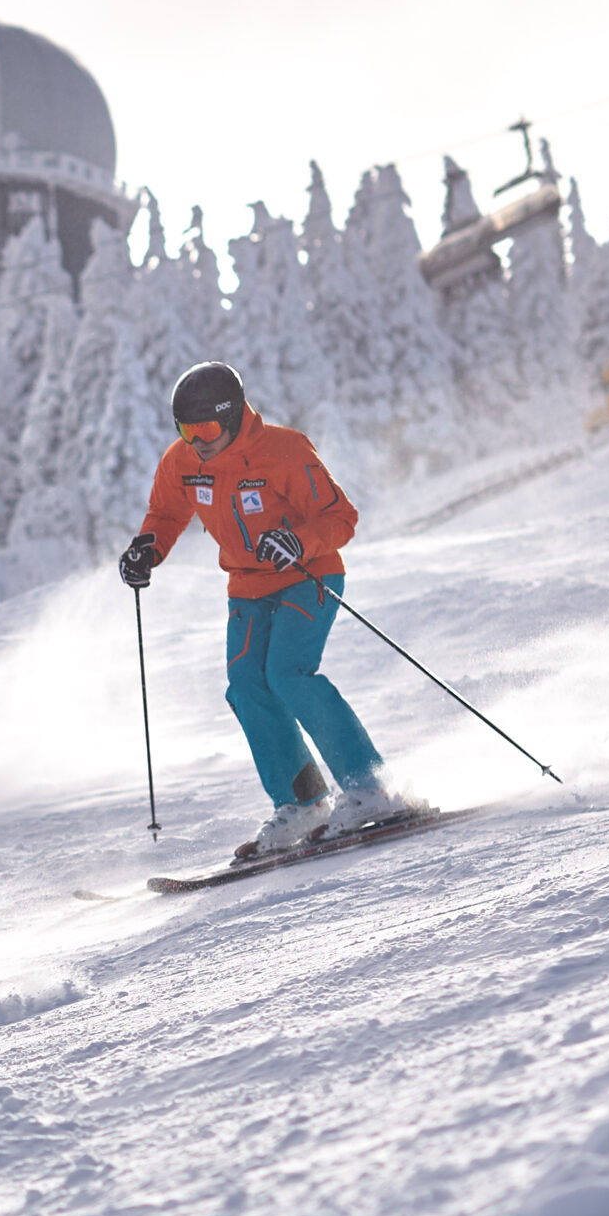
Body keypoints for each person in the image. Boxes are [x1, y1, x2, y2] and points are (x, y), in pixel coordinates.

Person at [117, 362, 411, 858]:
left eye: (206, 429)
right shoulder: (183, 462)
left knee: (289, 674)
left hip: (307, 575)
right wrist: (148, 548)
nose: (197, 441)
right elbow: (166, 514)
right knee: (248, 686)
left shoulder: (284, 451)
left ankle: (369, 789)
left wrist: (297, 540)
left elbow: (341, 517)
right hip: (246, 587)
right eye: (185, 431)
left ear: (231, 419)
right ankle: (303, 802)